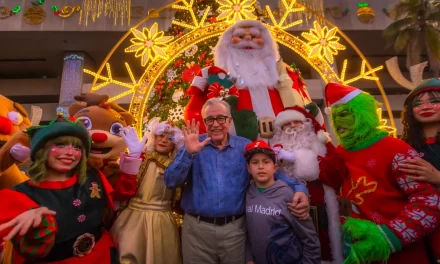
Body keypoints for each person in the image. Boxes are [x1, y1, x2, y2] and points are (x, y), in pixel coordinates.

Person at [164, 98, 310, 264]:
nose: (215, 124)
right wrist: (188, 153)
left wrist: (299, 189)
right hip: (197, 232)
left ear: (229, 120)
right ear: (204, 122)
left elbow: (269, 173)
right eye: (210, 119)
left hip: (235, 232)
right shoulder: (192, 145)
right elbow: (171, 181)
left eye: (221, 118)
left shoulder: (244, 147)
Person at [322, 82, 440, 264]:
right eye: (335, 116)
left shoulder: (395, 149)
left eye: (345, 114)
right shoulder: (341, 153)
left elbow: (428, 202)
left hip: (402, 254)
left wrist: (388, 237)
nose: (338, 122)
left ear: (363, 113)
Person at [0, 114, 118, 264]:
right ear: (43, 151)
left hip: (104, 256)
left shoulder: (94, 178)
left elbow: (120, 207)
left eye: (77, 147)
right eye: (60, 145)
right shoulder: (17, 195)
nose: (70, 152)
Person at [184, 19, 311, 140]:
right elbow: (195, 114)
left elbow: (303, 107)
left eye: (255, 36)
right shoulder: (218, 80)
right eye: (240, 36)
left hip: (282, 146)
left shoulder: (282, 75)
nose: (248, 39)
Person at [270, 106, 344, 263]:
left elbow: (335, 172)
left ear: (306, 124)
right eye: (287, 124)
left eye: (296, 122)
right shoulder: (275, 148)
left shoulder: (320, 144)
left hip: (319, 210)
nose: (292, 127)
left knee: (320, 249)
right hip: (285, 211)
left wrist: (297, 157)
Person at [110, 119, 184, 264]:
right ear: (153, 137)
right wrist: (133, 158)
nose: (163, 140)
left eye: (169, 138)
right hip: (133, 219)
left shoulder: (176, 168)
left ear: (175, 143)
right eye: (160, 135)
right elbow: (121, 192)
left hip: (163, 223)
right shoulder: (141, 158)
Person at [244, 139, 320, 264]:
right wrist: (249, 259)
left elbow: (310, 239)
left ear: (275, 168)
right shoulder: (248, 193)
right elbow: (249, 234)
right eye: (255, 162)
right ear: (249, 169)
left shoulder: (288, 195)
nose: (261, 166)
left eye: (266, 162)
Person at [400, 77, 440, 262]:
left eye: (434, 101)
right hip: (415, 227)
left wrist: (438, 177)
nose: (425, 107)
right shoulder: (402, 146)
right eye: (418, 104)